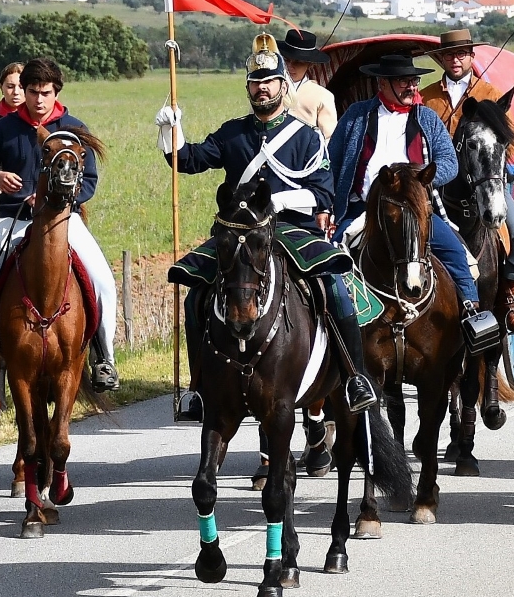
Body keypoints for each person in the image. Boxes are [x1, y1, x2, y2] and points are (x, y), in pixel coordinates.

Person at [157, 35, 377, 421]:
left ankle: (356, 377)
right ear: (248, 88)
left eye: (269, 81)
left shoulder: (306, 137)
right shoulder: (232, 134)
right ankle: (199, 388)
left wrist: (280, 202)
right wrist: (170, 131)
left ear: (282, 86)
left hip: (293, 231)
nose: (262, 88)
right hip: (240, 234)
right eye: (255, 82)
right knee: (195, 295)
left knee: (336, 290)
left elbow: (322, 194)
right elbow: (187, 160)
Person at [0, 57, 119, 395]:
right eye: (32, 92)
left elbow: (90, 180)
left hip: (64, 222)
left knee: (103, 280)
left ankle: (105, 358)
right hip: (13, 220)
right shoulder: (6, 127)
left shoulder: (74, 129)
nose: (38, 100)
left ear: (57, 92)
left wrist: (60, 199)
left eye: (45, 93)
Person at [326, 53, 492, 331]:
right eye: (403, 82)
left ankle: (471, 313)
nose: (412, 87)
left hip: (415, 210)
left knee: (453, 251)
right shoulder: (357, 116)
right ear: (382, 83)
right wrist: (326, 207)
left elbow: (449, 162)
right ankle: (336, 324)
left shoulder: (426, 118)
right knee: (335, 257)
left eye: (414, 81)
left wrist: (419, 180)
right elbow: (333, 161)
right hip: (363, 211)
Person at [418, 28, 514, 333]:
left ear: (470, 57)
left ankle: (508, 297)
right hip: (438, 182)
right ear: (442, 59)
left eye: (461, 54)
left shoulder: (490, 94)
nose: (455, 59)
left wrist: (490, 168)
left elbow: (508, 140)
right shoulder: (426, 97)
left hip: (484, 178)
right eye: (449, 54)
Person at [277, 27, 338, 139]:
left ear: (310, 65)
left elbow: (329, 138)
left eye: (298, 62)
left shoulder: (322, 96)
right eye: (286, 60)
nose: (290, 66)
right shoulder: (268, 88)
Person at [0, 61, 26, 127]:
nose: (16, 92)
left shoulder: (39, 118)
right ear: (1, 87)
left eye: (21, 87)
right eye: (10, 87)